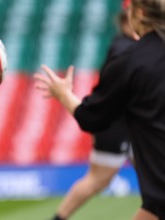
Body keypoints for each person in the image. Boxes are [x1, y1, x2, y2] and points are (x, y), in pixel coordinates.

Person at [34, 0, 165, 219]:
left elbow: (91, 117)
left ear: (140, 13)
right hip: (158, 199)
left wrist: (63, 94)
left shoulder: (129, 61)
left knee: (99, 179)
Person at [50, 2, 138, 220]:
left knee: (153, 184)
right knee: (98, 180)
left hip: (127, 124)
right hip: (118, 125)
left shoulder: (127, 46)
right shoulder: (125, 49)